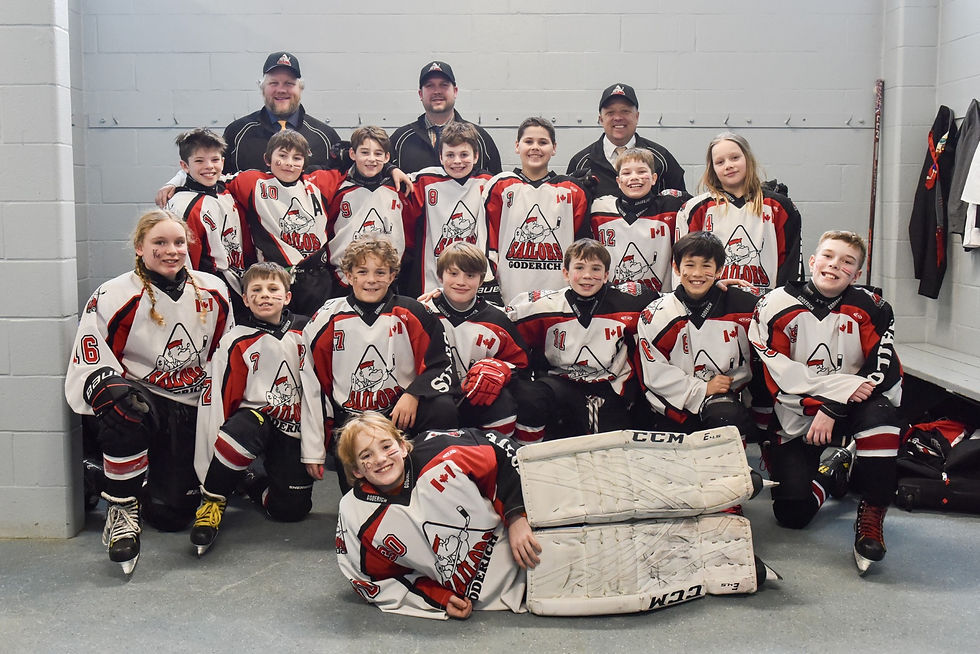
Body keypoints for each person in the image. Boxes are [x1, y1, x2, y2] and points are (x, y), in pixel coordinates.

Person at [65, 209, 232, 574]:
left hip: (191, 405)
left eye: (178, 242)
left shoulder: (214, 290)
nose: (171, 250)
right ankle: (120, 506)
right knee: (120, 399)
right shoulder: (114, 293)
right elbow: (90, 361)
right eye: (159, 242)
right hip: (143, 401)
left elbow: (224, 357)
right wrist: (113, 392)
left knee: (171, 516)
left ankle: (101, 473)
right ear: (140, 247)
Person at [748, 231, 902, 575]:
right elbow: (781, 373)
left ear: (857, 274)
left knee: (883, 415)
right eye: (828, 256)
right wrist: (832, 396)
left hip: (853, 408)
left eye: (847, 262)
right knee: (792, 516)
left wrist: (833, 407)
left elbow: (878, 372)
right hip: (797, 409)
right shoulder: (772, 305)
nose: (835, 265)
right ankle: (831, 474)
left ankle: (873, 511)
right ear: (813, 261)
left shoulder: (874, 308)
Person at [334, 412, 540, 619]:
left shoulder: (443, 449)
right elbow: (370, 579)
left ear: (403, 447)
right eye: (366, 456)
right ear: (356, 471)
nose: (380, 459)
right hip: (479, 601)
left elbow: (504, 452)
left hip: (530, 552)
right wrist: (437, 597)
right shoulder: (354, 513)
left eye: (386, 447)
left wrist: (516, 516)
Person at [300, 236, 459, 490]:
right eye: (362, 271)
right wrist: (313, 449)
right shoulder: (326, 318)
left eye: (380, 272)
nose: (371, 279)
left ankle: (431, 482)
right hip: (352, 421)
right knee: (362, 497)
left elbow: (442, 364)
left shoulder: (413, 312)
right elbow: (312, 385)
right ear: (349, 275)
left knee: (442, 408)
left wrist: (414, 393)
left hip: (401, 416)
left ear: (393, 275)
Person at [190, 262, 312, 556]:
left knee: (291, 511)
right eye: (255, 290)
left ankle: (251, 482)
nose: (264, 296)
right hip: (255, 420)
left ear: (287, 296)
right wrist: (209, 468)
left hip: (293, 424)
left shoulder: (308, 329)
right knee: (242, 427)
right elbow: (219, 402)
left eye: (273, 289)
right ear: (244, 299)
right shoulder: (235, 340)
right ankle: (214, 499)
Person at [505, 239, 655, 443]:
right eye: (579, 267)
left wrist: (715, 287)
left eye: (596, 269)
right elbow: (498, 320)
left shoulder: (630, 301)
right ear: (566, 273)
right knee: (531, 398)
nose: (587, 275)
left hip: (611, 389)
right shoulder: (543, 305)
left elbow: (673, 304)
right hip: (561, 385)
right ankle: (525, 454)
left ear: (606, 275)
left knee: (610, 446)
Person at [155, 51, 343, 206]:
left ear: (300, 88)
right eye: (273, 83)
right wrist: (177, 182)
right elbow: (209, 166)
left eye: (289, 84)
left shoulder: (325, 136)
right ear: (262, 87)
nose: (281, 89)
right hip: (250, 245)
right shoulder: (237, 132)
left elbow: (346, 183)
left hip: (306, 242)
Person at [635, 232, 763, 443]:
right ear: (676, 268)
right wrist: (702, 388)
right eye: (690, 265)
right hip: (672, 404)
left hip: (725, 402)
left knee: (724, 415)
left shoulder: (744, 305)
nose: (697, 273)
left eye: (706, 266)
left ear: (719, 270)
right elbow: (654, 371)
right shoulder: (657, 313)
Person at [220, 129, 344, 315]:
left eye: (297, 158)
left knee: (313, 335)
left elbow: (358, 159)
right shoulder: (252, 182)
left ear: (304, 163)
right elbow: (212, 176)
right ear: (268, 159)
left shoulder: (319, 182)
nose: (289, 163)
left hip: (317, 279)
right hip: (273, 279)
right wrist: (175, 182)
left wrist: (392, 170)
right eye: (283, 156)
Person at [422, 242, 531, 437]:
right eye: (453, 274)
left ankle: (498, 455)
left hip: (477, 398)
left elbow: (521, 363)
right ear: (440, 276)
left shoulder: (497, 318)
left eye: (470, 275)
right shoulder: (424, 312)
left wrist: (503, 369)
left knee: (504, 401)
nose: (461, 281)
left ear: (481, 280)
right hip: (434, 398)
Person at [676, 132, 802, 291]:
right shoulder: (694, 209)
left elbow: (791, 264)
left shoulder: (780, 206)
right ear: (712, 168)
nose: (728, 165)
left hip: (766, 305)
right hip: (714, 307)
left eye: (735, 158)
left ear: (748, 159)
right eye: (720, 162)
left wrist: (782, 303)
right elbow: (683, 266)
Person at [484, 117, 590, 304]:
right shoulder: (499, 185)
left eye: (543, 142)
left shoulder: (573, 190)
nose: (535, 147)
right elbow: (487, 243)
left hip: (560, 298)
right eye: (528, 141)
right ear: (517, 146)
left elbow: (581, 247)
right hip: (509, 293)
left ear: (554, 148)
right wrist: (489, 284)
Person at [166, 128, 256, 321]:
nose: (209, 166)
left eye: (215, 160)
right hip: (208, 289)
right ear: (185, 165)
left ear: (223, 162)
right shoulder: (183, 206)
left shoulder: (225, 190)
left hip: (236, 283)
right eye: (199, 161)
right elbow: (184, 263)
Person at [326, 126, 421, 295]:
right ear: (352, 154)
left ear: (387, 157)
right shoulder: (337, 187)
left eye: (378, 154)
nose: (371, 159)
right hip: (343, 280)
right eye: (364, 152)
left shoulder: (399, 189)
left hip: (388, 278)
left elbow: (409, 232)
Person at [409, 121, 495, 297]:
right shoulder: (425, 180)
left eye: (464, 154)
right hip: (432, 284)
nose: (457, 161)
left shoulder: (489, 183)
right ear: (440, 157)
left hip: (474, 281)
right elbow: (390, 182)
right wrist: (391, 169)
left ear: (476, 156)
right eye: (450, 155)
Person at [590, 147, 691, 293]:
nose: (634, 177)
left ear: (654, 178)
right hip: (612, 302)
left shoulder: (672, 205)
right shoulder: (599, 209)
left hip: (660, 302)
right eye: (626, 173)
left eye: (642, 171)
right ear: (618, 181)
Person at [567, 83, 686, 198]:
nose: (618, 118)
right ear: (601, 119)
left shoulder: (661, 159)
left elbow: (681, 208)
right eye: (610, 112)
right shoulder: (581, 163)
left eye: (625, 111)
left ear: (637, 117)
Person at [390, 60, 502, 175]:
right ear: (420, 94)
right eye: (430, 86)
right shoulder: (400, 139)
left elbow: (496, 186)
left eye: (444, 85)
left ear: (455, 91)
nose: (437, 91)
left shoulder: (479, 137)